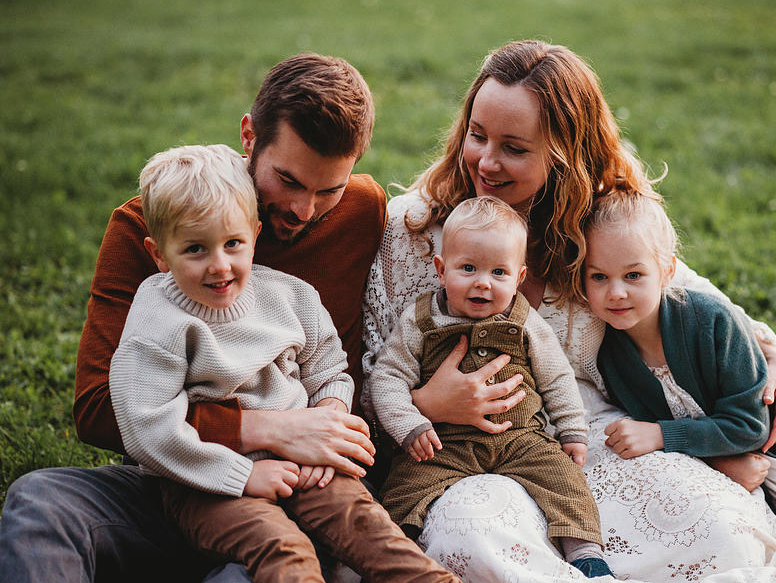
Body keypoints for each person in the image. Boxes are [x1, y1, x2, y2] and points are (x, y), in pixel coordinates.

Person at [362, 39, 776, 582]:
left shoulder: (592, 226)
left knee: (717, 530)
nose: (486, 160)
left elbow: (686, 296)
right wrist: (429, 402)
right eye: (477, 135)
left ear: (563, 156)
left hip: (586, 438)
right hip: (452, 456)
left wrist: (771, 358)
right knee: (477, 541)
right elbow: (364, 378)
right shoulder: (413, 232)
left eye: (515, 148)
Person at [0, 53, 387, 583]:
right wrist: (267, 428)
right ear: (249, 137)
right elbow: (97, 407)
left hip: (294, 499)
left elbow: (344, 365)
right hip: (176, 480)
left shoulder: (363, 212)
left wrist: (330, 426)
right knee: (41, 501)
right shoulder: (151, 227)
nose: (304, 209)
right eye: (289, 181)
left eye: (329, 190)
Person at [105, 143, 461, 583]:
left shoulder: (289, 296)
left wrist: (327, 419)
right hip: (205, 482)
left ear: (254, 235)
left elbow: (329, 368)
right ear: (159, 254)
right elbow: (147, 426)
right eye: (195, 249)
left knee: (369, 529)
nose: (219, 266)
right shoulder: (159, 318)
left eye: (233, 244)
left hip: (305, 459)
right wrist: (242, 475)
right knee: (286, 551)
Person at [587, 189, 776, 551]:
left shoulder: (710, 321)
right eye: (599, 277)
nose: (616, 293)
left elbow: (751, 426)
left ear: (667, 271)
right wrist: (719, 464)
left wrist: (661, 434)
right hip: (755, 471)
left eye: (634, 275)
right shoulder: (612, 356)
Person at [367, 196, 612, 579]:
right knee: (402, 491)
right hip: (444, 443)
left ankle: (586, 555)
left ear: (518, 277)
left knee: (564, 479)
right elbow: (387, 378)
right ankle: (394, 563)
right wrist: (409, 425)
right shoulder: (420, 320)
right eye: (468, 268)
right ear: (441, 268)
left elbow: (556, 377)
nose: (483, 282)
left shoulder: (525, 320)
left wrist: (572, 431)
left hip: (521, 439)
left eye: (499, 272)